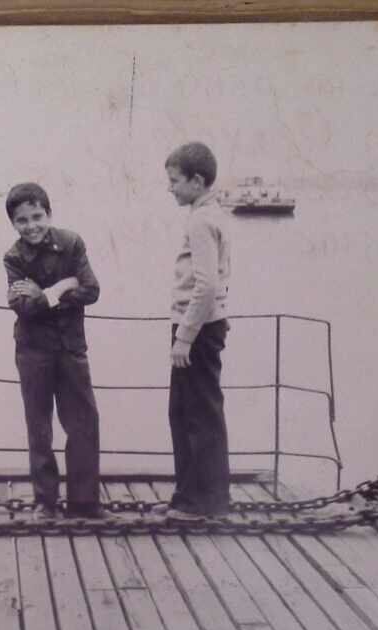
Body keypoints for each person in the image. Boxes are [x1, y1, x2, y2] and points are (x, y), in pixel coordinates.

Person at [2, 182, 107, 519]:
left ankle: (84, 502)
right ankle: (45, 502)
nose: (31, 225)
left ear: (49, 213)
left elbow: (92, 290)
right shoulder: (14, 257)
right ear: (13, 224)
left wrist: (45, 292)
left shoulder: (72, 243)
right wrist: (63, 287)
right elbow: (23, 307)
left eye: (37, 216)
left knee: (84, 423)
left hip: (71, 347)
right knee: (39, 426)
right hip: (33, 351)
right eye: (22, 220)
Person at [162, 142, 233, 520]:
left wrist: (184, 337)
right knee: (192, 411)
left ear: (197, 180)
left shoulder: (201, 221)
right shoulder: (212, 214)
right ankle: (201, 496)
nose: (170, 188)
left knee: (195, 414)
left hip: (198, 328)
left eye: (175, 181)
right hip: (207, 323)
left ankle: (200, 503)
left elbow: (205, 285)